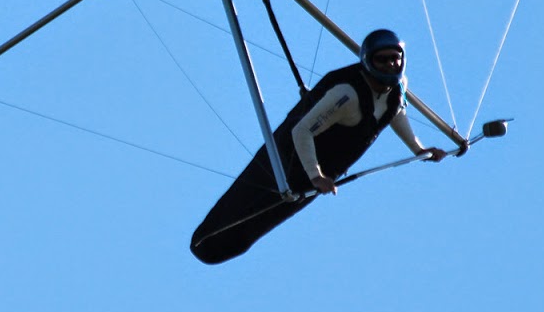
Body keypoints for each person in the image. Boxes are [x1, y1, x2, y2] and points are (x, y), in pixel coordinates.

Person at [190, 28, 448, 264]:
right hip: (287, 160)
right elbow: (300, 131)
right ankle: (203, 245)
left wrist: (418, 149)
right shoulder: (346, 95)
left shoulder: (398, 86)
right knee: (230, 222)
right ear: (369, 62)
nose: (392, 64)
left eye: (396, 58)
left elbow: (394, 112)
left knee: (246, 236)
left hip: (319, 174)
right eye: (383, 59)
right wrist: (316, 176)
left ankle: (213, 250)